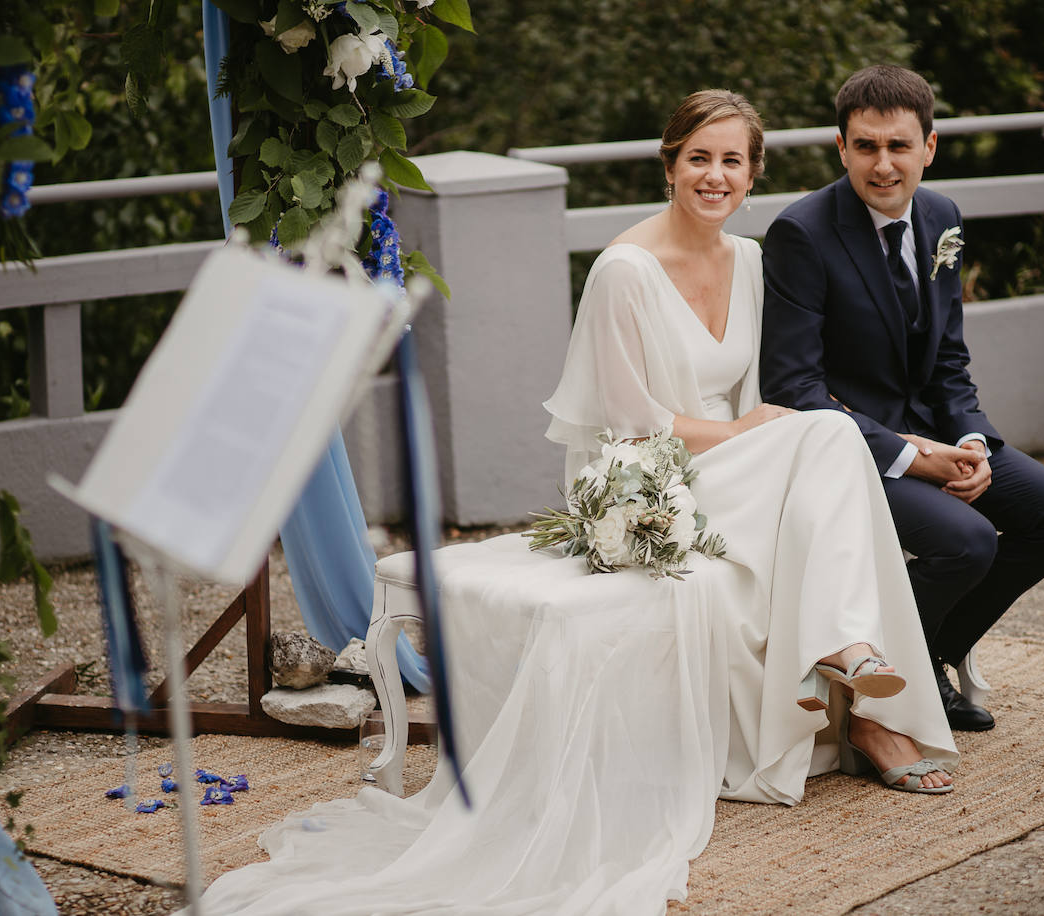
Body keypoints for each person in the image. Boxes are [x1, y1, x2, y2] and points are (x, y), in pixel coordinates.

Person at [188, 90, 955, 916]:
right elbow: (630, 424)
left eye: (732, 161)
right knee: (829, 434)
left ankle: (842, 653)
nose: (715, 175)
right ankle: (846, 657)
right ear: (669, 167)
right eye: (699, 158)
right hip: (642, 478)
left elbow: (757, 395)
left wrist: (759, 437)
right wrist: (747, 435)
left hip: (736, 468)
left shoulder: (752, 260)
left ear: (753, 173)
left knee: (826, 438)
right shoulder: (624, 270)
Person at [759, 65, 1044, 731]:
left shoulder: (942, 216)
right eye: (866, 146)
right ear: (841, 147)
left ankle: (929, 651)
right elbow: (793, 388)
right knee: (967, 541)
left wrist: (970, 441)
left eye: (899, 146)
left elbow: (947, 359)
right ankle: (884, 681)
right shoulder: (802, 233)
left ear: (929, 147)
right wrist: (913, 457)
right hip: (850, 448)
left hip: (938, 432)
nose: (883, 165)